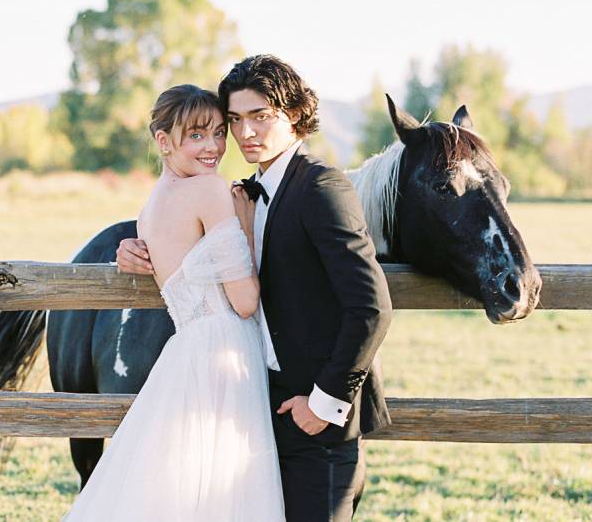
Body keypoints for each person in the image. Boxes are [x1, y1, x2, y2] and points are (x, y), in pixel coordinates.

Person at [117, 55, 393, 521]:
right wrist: (131, 248)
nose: (245, 133)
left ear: (295, 115)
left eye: (260, 117)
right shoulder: (240, 193)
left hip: (314, 423)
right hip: (248, 411)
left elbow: (371, 308)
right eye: (235, 120)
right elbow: (186, 241)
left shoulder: (322, 187)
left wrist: (323, 403)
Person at [61, 84, 286, 521]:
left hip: (186, 350)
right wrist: (243, 223)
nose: (215, 147)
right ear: (164, 141)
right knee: (225, 489)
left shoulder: (149, 209)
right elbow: (244, 301)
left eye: (220, 133)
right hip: (227, 351)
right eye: (197, 136)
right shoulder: (210, 191)